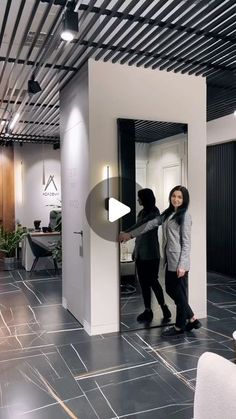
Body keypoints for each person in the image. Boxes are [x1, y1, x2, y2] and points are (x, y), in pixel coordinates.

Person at [119, 185, 201, 337]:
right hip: (170, 260)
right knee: (172, 289)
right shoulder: (168, 213)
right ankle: (192, 319)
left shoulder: (185, 216)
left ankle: (178, 327)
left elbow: (186, 243)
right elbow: (150, 224)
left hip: (179, 262)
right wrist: (130, 235)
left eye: (179, 197)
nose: (176, 199)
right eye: (174, 196)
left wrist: (182, 265)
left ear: (184, 200)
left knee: (178, 293)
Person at [125, 188, 171, 323]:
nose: (138, 200)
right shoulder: (142, 211)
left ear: (145, 198)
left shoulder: (154, 213)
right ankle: (147, 310)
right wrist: (135, 251)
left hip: (151, 254)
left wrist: (125, 233)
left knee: (153, 281)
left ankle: (163, 307)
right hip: (141, 254)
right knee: (144, 283)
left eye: (139, 197)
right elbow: (139, 235)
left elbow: (139, 227)